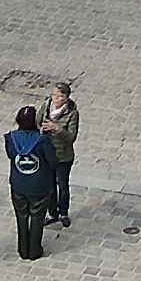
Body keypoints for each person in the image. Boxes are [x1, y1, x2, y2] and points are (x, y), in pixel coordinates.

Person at [5, 106, 58, 261]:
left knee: (21, 217)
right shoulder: (42, 140)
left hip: (19, 184)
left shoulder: (11, 138)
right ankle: (34, 250)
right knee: (37, 218)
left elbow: (10, 155)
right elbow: (53, 161)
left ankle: (23, 249)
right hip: (39, 185)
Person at [40, 83, 80, 226]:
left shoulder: (72, 113)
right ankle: (52, 213)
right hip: (47, 154)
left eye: (61, 96)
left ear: (66, 98)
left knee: (62, 185)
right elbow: (37, 123)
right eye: (55, 95)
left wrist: (57, 129)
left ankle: (63, 212)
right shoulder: (46, 107)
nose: (56, 99)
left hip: (63, 156)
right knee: (49, 186)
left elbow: (71, 137)